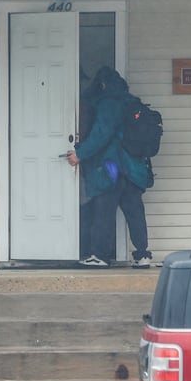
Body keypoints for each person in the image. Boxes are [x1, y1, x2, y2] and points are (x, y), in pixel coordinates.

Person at [66, 66, 153, 268]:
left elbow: (101, 134)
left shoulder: (109, 103)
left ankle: (100, 255)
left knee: (103, 210)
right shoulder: (132, 102)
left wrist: (80, 154)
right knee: (135, 212)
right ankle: (142, 255)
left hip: (113, 167)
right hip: (134, 169)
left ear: (103, 84)